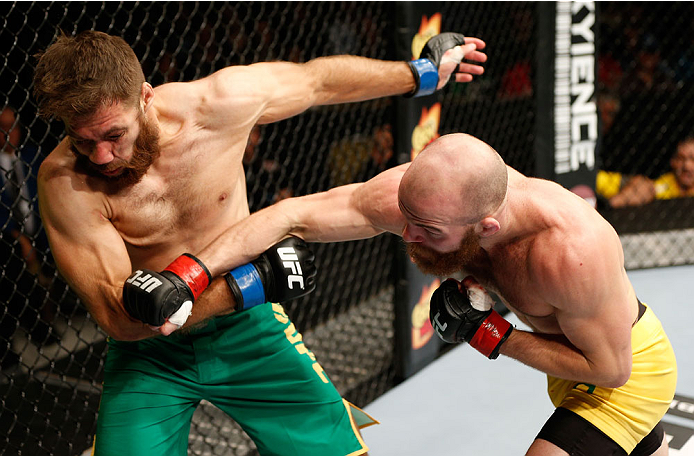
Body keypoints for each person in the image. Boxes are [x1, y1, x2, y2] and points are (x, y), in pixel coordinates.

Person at [32, 29, 487, 455]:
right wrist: (246, 284)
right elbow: (120, 317)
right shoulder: (65, 182)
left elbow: (317, 82)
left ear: (146, 97)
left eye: (114, 135)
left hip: (248, 328)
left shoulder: (217, 105)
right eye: (83, 141)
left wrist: (420, 74)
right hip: (150, 354)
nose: (102, 156)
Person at [185, 133, 677, 456]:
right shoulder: (423, 202)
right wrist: (190, 274)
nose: (410, 237)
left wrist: (489, 335)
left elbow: (611, 370)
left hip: (625, 371)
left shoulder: (569, 252)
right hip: (566, 358)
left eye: (427, 230)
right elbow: (291, 216)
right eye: (408, 221)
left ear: (487, 225)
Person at [597, 135, 694, 208]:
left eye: (693, 159)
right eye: (681, 159)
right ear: (673, 162)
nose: (687, 166)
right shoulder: (660, 187)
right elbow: (602, 179)